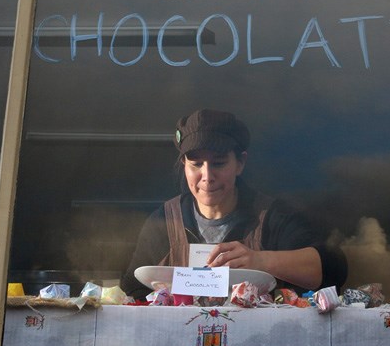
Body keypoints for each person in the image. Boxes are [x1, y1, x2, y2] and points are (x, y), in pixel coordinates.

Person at [120, 108, 347, 300]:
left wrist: (260, 260)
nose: (207, 176)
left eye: (218, 163)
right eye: (196, 164)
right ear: (184, 165)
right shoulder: (165, 220)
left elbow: (332, 269)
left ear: (240, 163)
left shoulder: (271, 217)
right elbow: (133, 287)